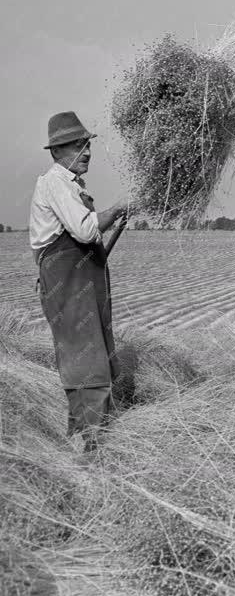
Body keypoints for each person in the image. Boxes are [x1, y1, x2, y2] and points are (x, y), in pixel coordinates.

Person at [29, 111, 132, 451]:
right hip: (69, 285)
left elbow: (52, 241)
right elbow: (86, 229)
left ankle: (80, 440)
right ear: (57, 150)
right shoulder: (55, 182)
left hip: (77, 282)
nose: (87, 152)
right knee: (87, 360)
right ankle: (90, 447)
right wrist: (117, 208)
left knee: (87, 356)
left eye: (88, 145)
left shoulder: (71, 185)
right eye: (79, 145)